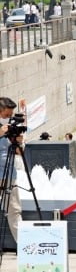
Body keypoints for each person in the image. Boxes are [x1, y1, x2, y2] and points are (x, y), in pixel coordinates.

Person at [0, 97, 23, 241]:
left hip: (8, 173)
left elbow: (20, 153)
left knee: (14, 209)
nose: (8, 119)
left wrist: (18, 142)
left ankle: (24, 245)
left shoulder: (11, 128)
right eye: (6, 115)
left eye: (10, 116)